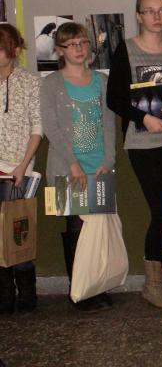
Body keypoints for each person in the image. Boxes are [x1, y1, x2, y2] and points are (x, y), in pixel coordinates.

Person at [106, 0, 162, 310]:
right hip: (143, 143)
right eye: (150, 11)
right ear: (139, 16)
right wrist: (143, 118)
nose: (157, 16)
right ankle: (151, 284)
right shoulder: (125, 50)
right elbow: (115, 99)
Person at [40, 22, 115, 312]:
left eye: (83, 42)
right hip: (65, 166)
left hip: (99, 165)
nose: (79, 48)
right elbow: (51, 128)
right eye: (72, 44)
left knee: (99, 231)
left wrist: (108, 160)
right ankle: (79, 291)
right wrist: (73, 164)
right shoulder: (51, 84)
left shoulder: (101, 81)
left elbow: (108, 123)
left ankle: (98, 285)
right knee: (76, 229)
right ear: (60, 50)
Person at [0, 24, 41, 314]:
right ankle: (4, 295)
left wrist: (22, 166)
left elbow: (37, 128)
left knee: (18, 231)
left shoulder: (29, 82)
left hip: (19, 169)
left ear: (14, 50)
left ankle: (27, 293)